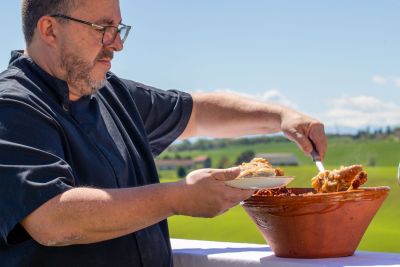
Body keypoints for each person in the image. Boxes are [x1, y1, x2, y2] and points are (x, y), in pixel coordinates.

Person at [0, 0, 327, 266]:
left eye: (118, 29)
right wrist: (179, 197)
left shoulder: (109, 92)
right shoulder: (12, 106)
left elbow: (197, 113)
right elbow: (53, 219)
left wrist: (282, 117)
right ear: (50, 30)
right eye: (103, 29)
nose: (117, 44)